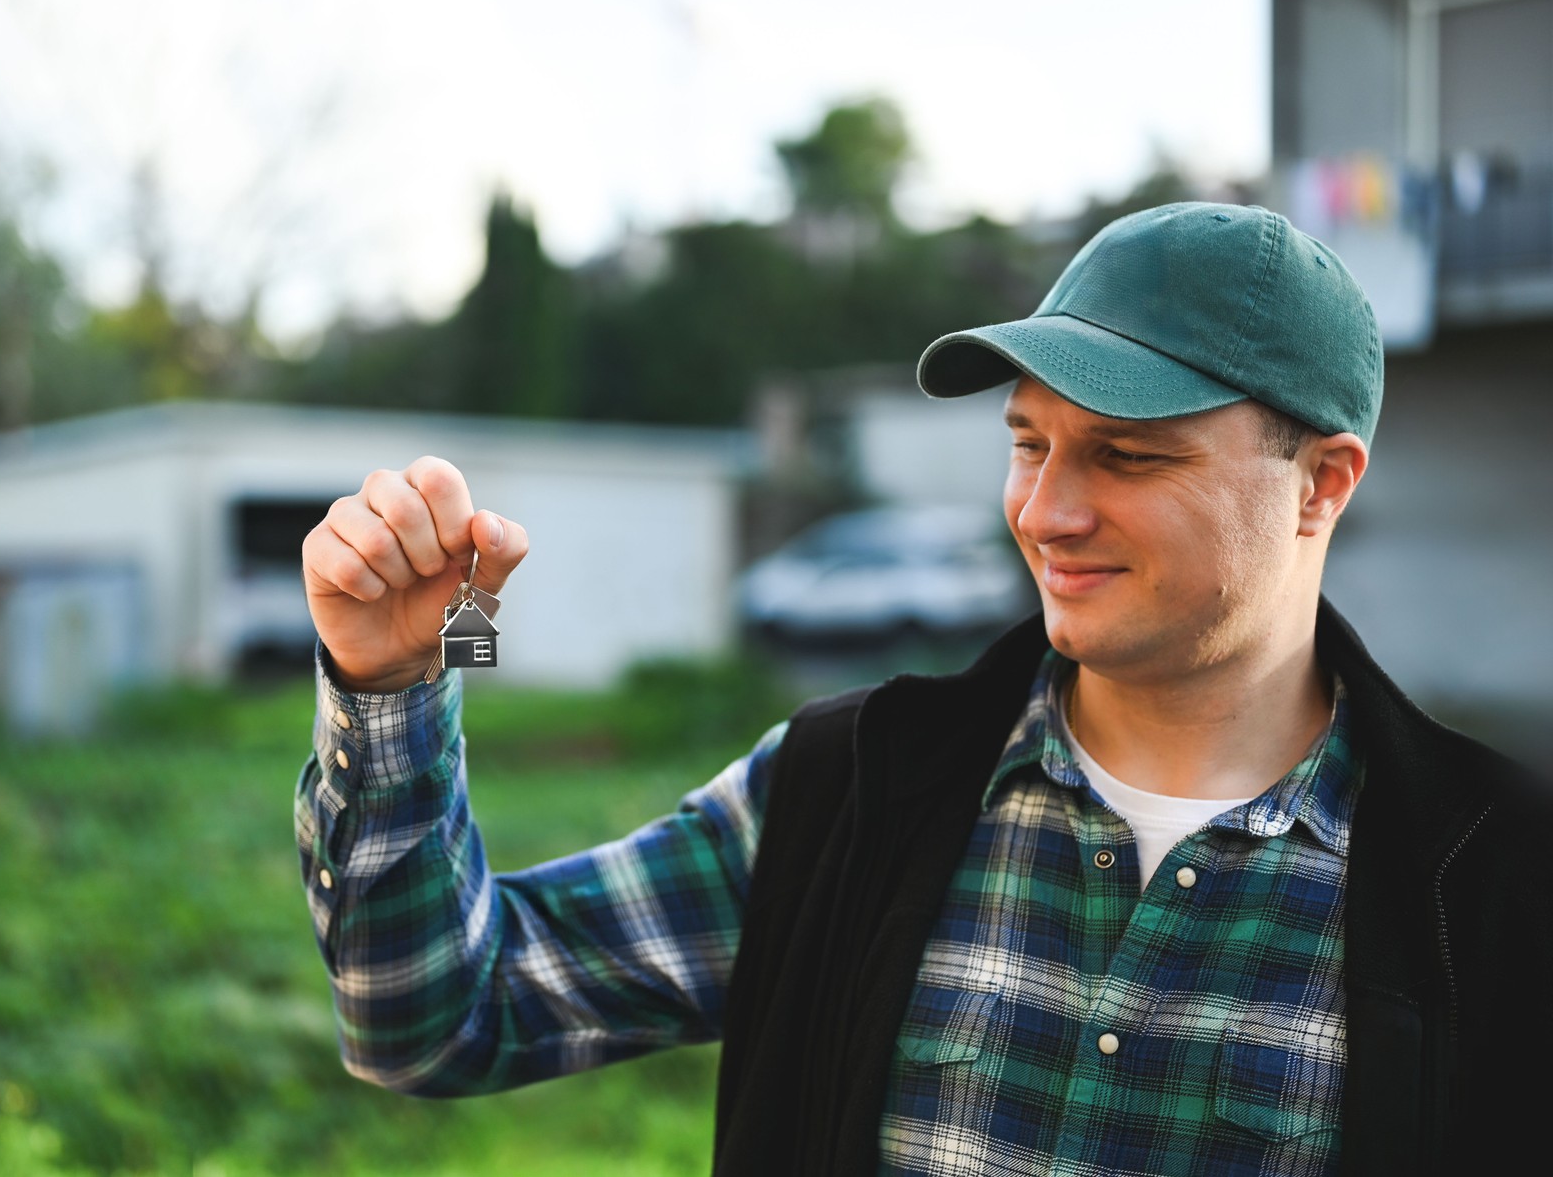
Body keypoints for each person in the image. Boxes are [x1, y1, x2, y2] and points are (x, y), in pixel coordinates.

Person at [294, 203, 1548, 1176]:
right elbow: (438, 1014)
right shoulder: (851, 790)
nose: (1047, 510)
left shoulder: (1491, 883)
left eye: (1127, 452)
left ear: (1321, 482)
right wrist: (393, 679)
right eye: (1028, 442)